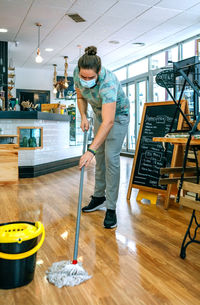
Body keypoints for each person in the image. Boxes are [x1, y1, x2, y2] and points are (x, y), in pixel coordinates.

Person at [73, 46, 130, 229]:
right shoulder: (77, 73)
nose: (86, 80)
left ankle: (111, 208)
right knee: (100, 157)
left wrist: (90, 150)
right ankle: (99, 197)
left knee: (110, 158)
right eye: (84, 77)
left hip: (117, 117)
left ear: (99, 72)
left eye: (91, 78)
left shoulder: (109, 83)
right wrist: (83, 116)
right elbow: (81, 96)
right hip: (98, 115)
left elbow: (109, 121)